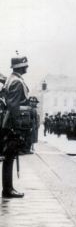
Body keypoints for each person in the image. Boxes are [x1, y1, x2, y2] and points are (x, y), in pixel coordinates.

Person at [1, 56, 31, 198]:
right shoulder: (17, 82)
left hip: (11, 122)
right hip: (14, 123)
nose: (27, 67)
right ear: (19, 67)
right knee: (9, 156)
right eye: (25, 65)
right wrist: (16, 127)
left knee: (9, 157)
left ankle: (8, 188)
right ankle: (8, 189)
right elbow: (13, 106)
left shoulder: (12, 79)